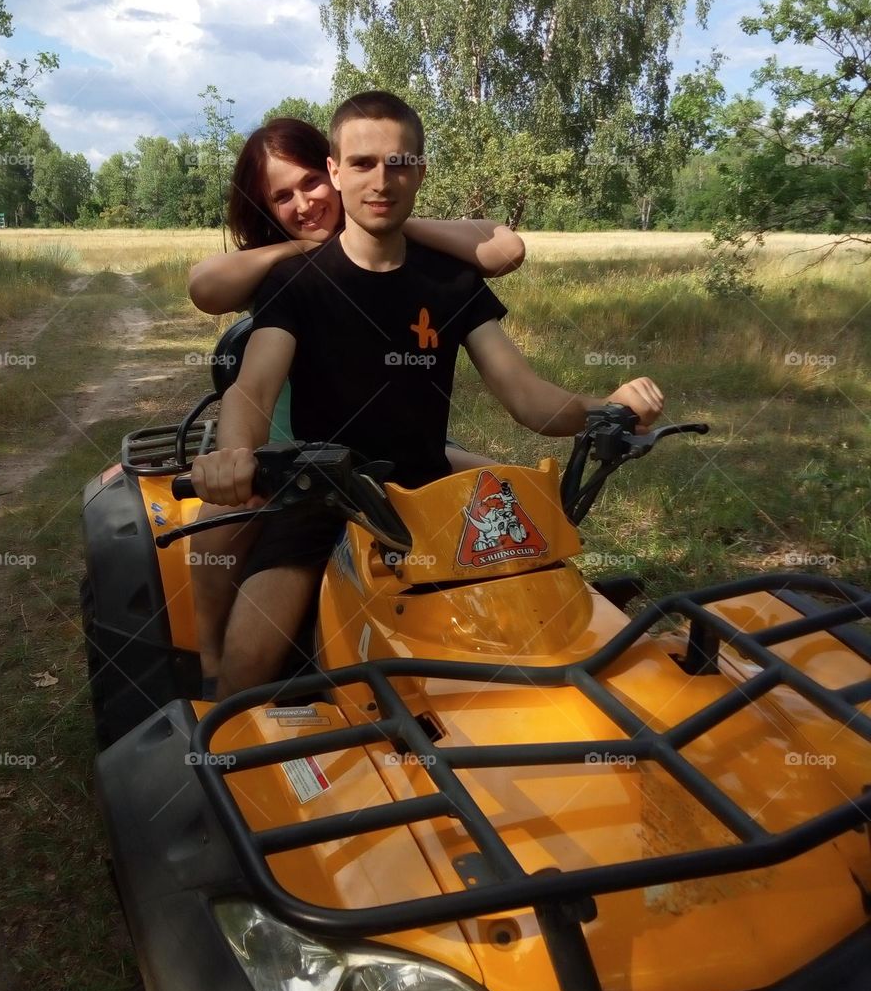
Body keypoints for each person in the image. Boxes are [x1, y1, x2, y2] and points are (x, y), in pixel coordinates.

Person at [191, 91, 664, 700]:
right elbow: (253, 388)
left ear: (420, 171)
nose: (381, 180)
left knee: (533, 575)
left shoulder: (451, 281)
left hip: (430, 493)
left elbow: (525, 396)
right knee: (249, 659)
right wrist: (235, 453)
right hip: (321, 492)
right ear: (338, 172)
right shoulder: (294, 282)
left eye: (399, 163)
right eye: (361, 164)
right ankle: (221, 733)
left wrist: (609, 407)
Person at [187, 117, 525, 691]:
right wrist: (303, 247)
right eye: (281, 196)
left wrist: (384, 215)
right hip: (289, 456)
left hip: (396, 448)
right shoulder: (284, 272)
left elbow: (504, 248)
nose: (303, 203)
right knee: (215, 528)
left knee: (509, 497)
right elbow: (205, 286)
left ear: (333, 173)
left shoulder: (393, 243)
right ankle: (210, 658)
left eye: (310, 184)